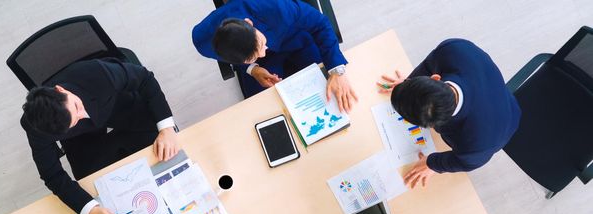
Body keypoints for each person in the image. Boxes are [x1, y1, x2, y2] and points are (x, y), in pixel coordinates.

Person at [21, 58, 181, 214]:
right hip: (82, 141)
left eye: (76, 106)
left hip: (122, 109)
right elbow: (52, 175)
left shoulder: (96, 73)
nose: (82, 115)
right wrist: (91, 211)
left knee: (165, 157)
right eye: (74, 121)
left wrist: (166, 129)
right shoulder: (35, 126)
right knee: (99, 189)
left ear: (60, 90)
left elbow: (145, 78)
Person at [378, 39, 521, 188]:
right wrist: (409, 84)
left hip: (505, 121)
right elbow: (428, 65)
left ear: (434, 125)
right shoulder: (454, 50)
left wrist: (432, 164)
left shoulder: (477, 144)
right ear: (435, 78)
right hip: (488, 89)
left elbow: (464, 162)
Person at [192, 0, 357, 112]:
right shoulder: (204, 41)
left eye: (262, 44)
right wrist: (252, 69)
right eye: (254, 56)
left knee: (331, 89)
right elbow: (230, 57)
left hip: (296, 40)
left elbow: (320, 23)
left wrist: (337, 70)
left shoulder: (276, 8)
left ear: (249, 23)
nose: (263, 52)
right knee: (266, 110)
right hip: (263, 66)